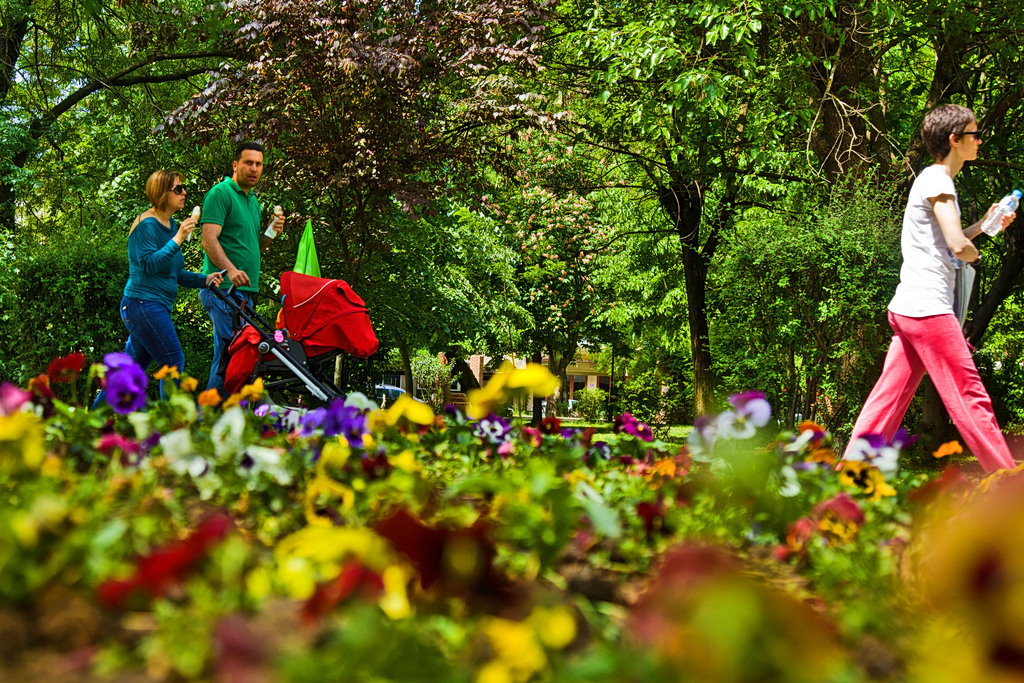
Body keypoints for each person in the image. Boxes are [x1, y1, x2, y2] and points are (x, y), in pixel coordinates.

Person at [842, 104, 1016, 472]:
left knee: (887, 401)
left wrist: (985, 225)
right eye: (974, 134)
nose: (980, 140)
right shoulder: (938, 180)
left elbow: (950, 239)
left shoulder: (931, 179)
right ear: (955, 140)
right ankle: (1009, 486)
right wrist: (975, 257)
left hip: (909, 307)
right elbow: (957, 247)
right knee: (970, 397)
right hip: (928, 309)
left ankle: (846, 483)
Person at [112, 170, 224, 400]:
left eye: (183, 187)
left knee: (127, 376)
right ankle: (170, 427)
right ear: (161, 193)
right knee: (173, 361)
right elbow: (149, 264)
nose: (184, 192)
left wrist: (205, 279)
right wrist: (179, 238)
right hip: (142, 304)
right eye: (177, 189)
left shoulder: (171, 225)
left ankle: (94, 422)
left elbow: (173, 272)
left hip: (150, 307)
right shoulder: (147, 224)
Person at [198, 142, 285, 399]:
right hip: (223, 289)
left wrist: (271, 231)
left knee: (233, 360)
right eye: (248, 163)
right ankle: (211, 422)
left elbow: (253, 247)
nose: (254, 169)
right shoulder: (220, 193)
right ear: (235, 165)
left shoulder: (253, 202)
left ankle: (217, 422)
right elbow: (208, 239)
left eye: (258, 164)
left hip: (244, 293)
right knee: (233, 359)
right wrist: (232, 270)